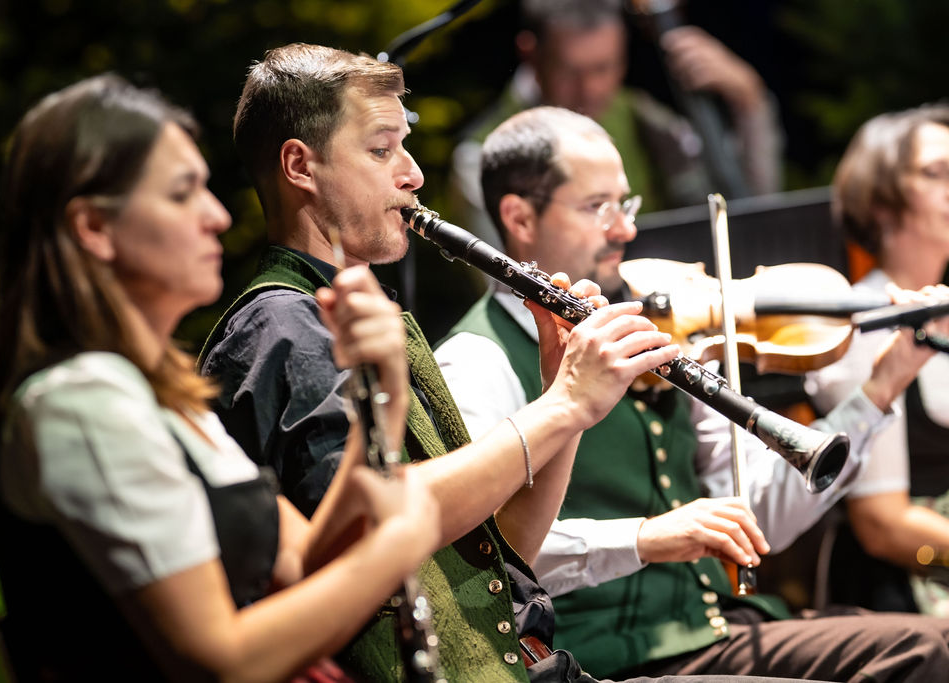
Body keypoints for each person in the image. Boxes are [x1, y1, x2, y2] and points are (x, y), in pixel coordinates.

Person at [200, 42, 825, 683]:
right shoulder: (285, 325)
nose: (413, 174)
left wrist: (563, 400)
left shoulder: (363, 317)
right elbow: (371, 533)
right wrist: (564, 406)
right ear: (300, 165)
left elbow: (504, 558)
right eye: (382, 150)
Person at [435, 104, 949, 681]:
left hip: (719, 629)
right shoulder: (477, 359)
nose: (625, 229)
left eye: (625, 204)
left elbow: (763, 517)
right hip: (603, 657)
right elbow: (478, 555)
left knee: (930, 644)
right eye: (596, 206)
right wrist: (643, 538)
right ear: (520, 218)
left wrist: (882, 387)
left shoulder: (656, 327)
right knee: (924, 651)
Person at [0, 73, 445, 683]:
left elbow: (302, 564)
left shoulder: (163, 396)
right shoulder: (80, 402)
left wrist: (382, 399)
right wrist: (398, 547)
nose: (218, 216)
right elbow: (221, 661)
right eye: (182, 194)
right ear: (94, 228)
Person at [447, 0, 782, 249]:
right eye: (570, 71)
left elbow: (744, 213)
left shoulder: (645, 119)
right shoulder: (480, 159)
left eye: (604, 68)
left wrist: (750, 103)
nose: (590, 89)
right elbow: (506, 287)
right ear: (530, 54)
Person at [805, 104, 949, 615]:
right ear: (880, 201)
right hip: (904, 597)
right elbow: (883, 525)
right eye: (936, 172)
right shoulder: (863, 328)